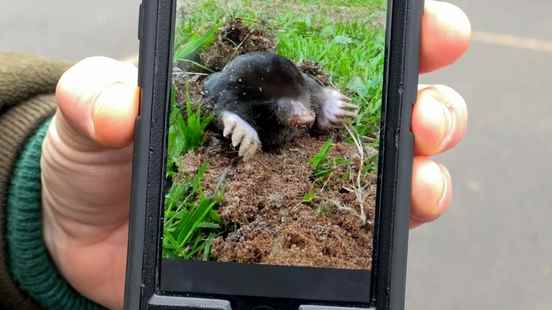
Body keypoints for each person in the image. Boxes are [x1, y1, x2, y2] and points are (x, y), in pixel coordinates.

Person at [0, 1, 471, 309]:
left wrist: (322, 101)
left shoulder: (295, 86)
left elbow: (305, 93)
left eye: (304, 107)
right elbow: (216, 103)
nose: (302, 119)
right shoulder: (232, 91)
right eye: (296, 110)